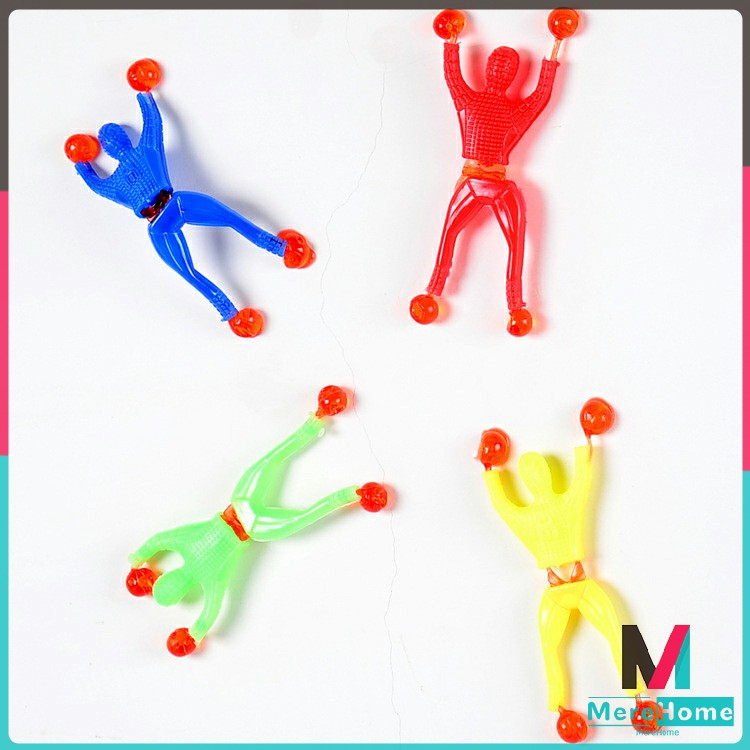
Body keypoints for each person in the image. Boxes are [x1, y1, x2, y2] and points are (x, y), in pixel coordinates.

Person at [126, 386, 388, 656]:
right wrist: (137, 559)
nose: (173, 582)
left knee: (281, 475)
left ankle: (328, 439)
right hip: (251, 523)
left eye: (167, 583)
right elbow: (161, 546)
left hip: (241, 509)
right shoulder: (206, 575)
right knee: (288, 488)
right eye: (171, 586)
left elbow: (207, 611)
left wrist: (194, 634)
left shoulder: (202, 570)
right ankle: (349, 487)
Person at [66, 62, 313, 338]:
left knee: (213, 243)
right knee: (213, 244)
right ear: (121, 141)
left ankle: (274, 260)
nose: (115, 143)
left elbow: (97, 184)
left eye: (111, 140)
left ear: (110, 149)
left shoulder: (127, 170)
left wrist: (81, 163)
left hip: (169, 212)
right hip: (168, 214)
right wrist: (143, 93)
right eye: (114, 139)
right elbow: (152, 123)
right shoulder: (141, 155)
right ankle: (257, 284)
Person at [411, 12, 573, 336]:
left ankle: (501, 304)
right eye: (498, 67)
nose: (498, 72)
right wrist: (556, 44)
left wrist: (451, 41)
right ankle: (501, 304)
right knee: (497, 242)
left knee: (469, 237)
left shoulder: (471, 103)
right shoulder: (497, 109)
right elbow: (541, 95)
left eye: (502, 68)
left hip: (482, 185)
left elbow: (453, 76)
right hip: (487, 184)